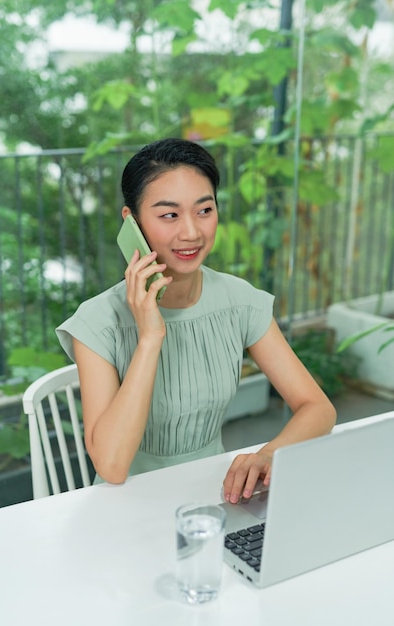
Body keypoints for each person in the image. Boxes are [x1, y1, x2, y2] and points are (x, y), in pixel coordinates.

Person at [56, 138, 336, 504]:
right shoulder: (97, 321)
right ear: (132, 221)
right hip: (120, 507)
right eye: (169, 215)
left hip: (215, 496)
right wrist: (150, 336)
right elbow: (112, 465)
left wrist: (269, 453)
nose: (191, 232)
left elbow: (319, 409)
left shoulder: (238, 301)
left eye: (204, 210)